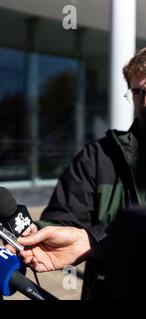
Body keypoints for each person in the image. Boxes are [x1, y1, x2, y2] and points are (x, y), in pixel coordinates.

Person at [32, 48, 146, 300]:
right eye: (140, 92)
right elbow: (61, 222)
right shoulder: (98, 156)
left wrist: (96, 239)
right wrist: (36, 235)